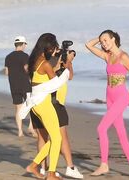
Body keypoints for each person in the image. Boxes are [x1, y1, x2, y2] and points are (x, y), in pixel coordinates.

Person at [85, 30, 129, 178]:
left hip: (121, 96)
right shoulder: (107, 56)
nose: (103, 43)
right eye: (102, 42)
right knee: (121, 133)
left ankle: (104, 165)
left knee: (101, 128)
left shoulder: (124, 57)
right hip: (109, 96)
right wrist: (101, 37)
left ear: (113, 39)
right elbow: (88, 45)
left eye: (106, 40)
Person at [29, 50, 83, 179]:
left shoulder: (40, 61)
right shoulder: (50, 63)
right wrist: (67, 62)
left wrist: (64, 63)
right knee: (58, 138)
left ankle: (41, 168)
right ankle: (66, 168)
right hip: (53, 104)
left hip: (38, 102)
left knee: (44, 138)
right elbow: (65, 77)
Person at [25, 33, 71, 180]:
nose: (53, 51)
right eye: (52, 48)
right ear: (48, 47)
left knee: (53, 139)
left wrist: (57, 62)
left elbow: (45, 77)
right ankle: (50, 174)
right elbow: (56, 82)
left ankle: (34, 166)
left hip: (35, 103)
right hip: (44, 104)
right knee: (56, 139)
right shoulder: (45, 64)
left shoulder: (34, 61)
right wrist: (67, 63)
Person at [4, 36, 36, 137]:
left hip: (13, 85)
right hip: (25, 84)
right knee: (31, 106)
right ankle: (31, 127)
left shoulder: (8, 56)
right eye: (25, 44)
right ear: (22, 44)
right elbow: (26, 69)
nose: (25, 46)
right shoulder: (25, 56)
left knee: (18, 108)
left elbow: (6, 72)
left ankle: (20, 131)